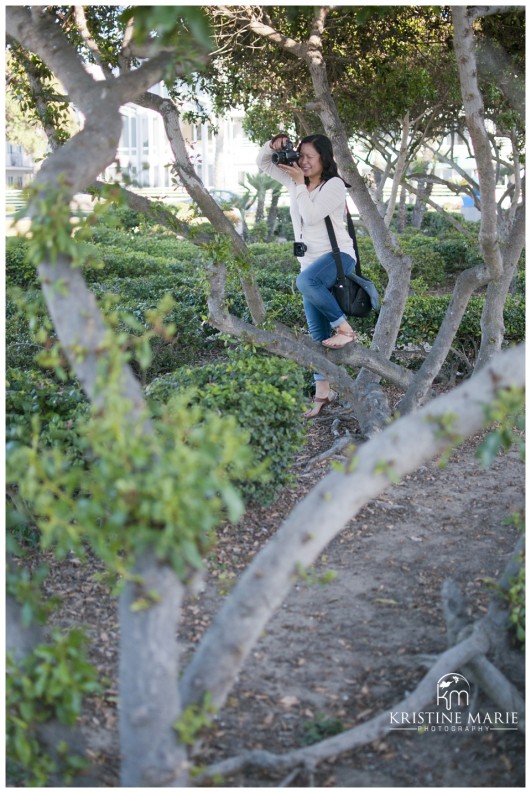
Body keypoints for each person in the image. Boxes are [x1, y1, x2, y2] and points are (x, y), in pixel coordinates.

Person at [257, 132, 357, 418]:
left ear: (324, 159)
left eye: (309, 157)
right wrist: (272, 144)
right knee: (316, 335)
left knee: (305, 283)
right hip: (310, 264)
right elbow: (263, 163)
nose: (303, 161)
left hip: (338, 259)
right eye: (300, 155)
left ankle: (346, 330)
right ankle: (322, 395)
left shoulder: (334, 185)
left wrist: (300, 184)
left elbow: (312, 215)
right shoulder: (294, 179)